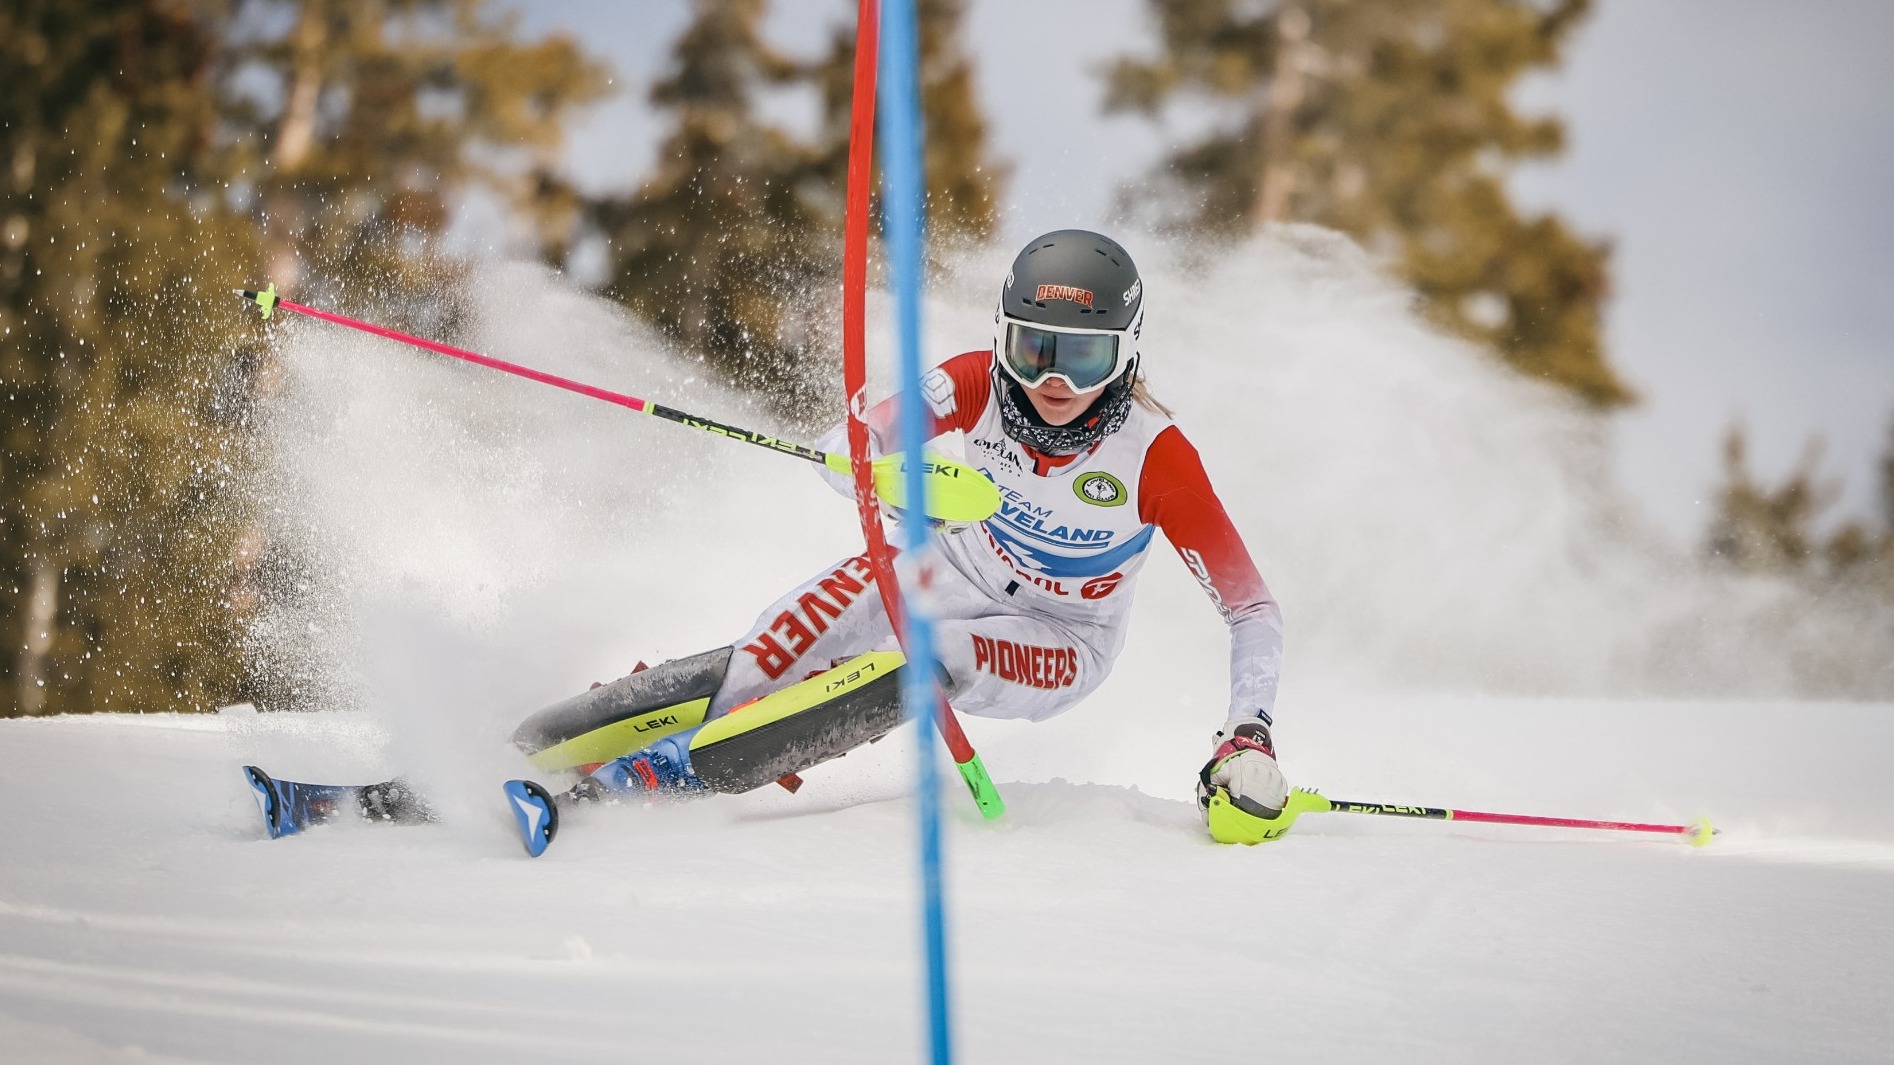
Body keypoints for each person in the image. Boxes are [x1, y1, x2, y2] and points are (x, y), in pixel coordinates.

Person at [563, 229, 1288, 832]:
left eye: (1084, 357)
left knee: (922, 657)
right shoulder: (977, 382)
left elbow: (1252, 608)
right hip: (948, 561)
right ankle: (566, 739)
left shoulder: (1158, 459)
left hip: (1064, 634)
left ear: (1126, 354)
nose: (1053, 382)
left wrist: (1247, 732)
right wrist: (865, 463)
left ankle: (665, 776)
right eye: (1034, 348)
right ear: (1003, 337)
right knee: (774, 649)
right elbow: (864, 436)